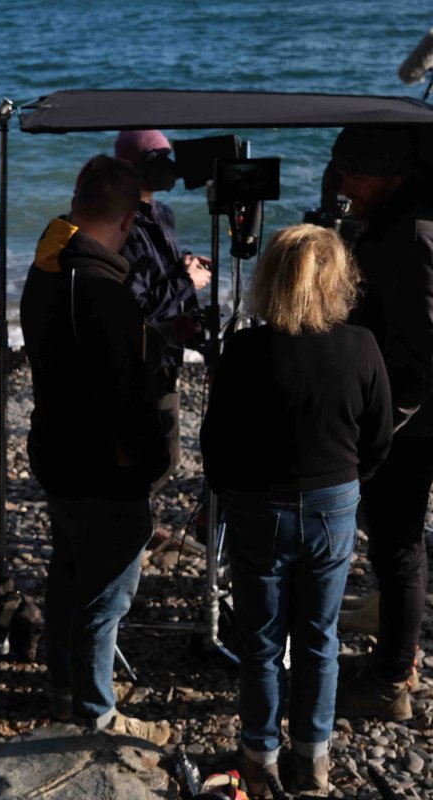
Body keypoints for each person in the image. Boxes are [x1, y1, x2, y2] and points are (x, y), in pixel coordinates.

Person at [199, 224, 392, 797]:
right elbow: (378, 439)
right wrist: (349, 485)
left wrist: (229, 491)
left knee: (260, 639)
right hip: (334, 503)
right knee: (318, 637)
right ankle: (313, 761)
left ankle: (259, 759)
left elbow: (218, 441)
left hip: (259, 504)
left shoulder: (246, 349)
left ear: (272, 279)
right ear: (338, 281)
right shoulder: (360, 345)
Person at [20, 154, 171, 744]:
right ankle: (95, 713)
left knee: (70, 571)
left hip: (57, 451)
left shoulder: (49, 262)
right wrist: (152, 461)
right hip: (103, 466)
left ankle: (64, 688)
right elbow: (126, 395)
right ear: (130, 220)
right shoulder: (104, 293)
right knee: (106, 596)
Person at [327, 125, 433, 722]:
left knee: (398, 546)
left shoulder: (413, 233)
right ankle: (394, 657)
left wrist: (381, 428)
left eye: (355, 172)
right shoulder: (394, 222)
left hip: (412, 425)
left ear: (392, 171)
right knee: (395, 543)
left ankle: (393, 678)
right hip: (402, 418)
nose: (344, 183)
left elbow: (422, 353)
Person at [114, 129, 211, 486]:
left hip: (171, 347)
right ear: (131, 168)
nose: (167, 168)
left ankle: (136, 525)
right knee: (157, 456)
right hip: (146, 353)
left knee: (162, 451)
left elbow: (156, 273)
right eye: (155, 160)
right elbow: (138, 306)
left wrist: (184, 264)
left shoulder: (161, 213)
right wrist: (187, 282)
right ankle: (132, 530)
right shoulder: (123, 225)